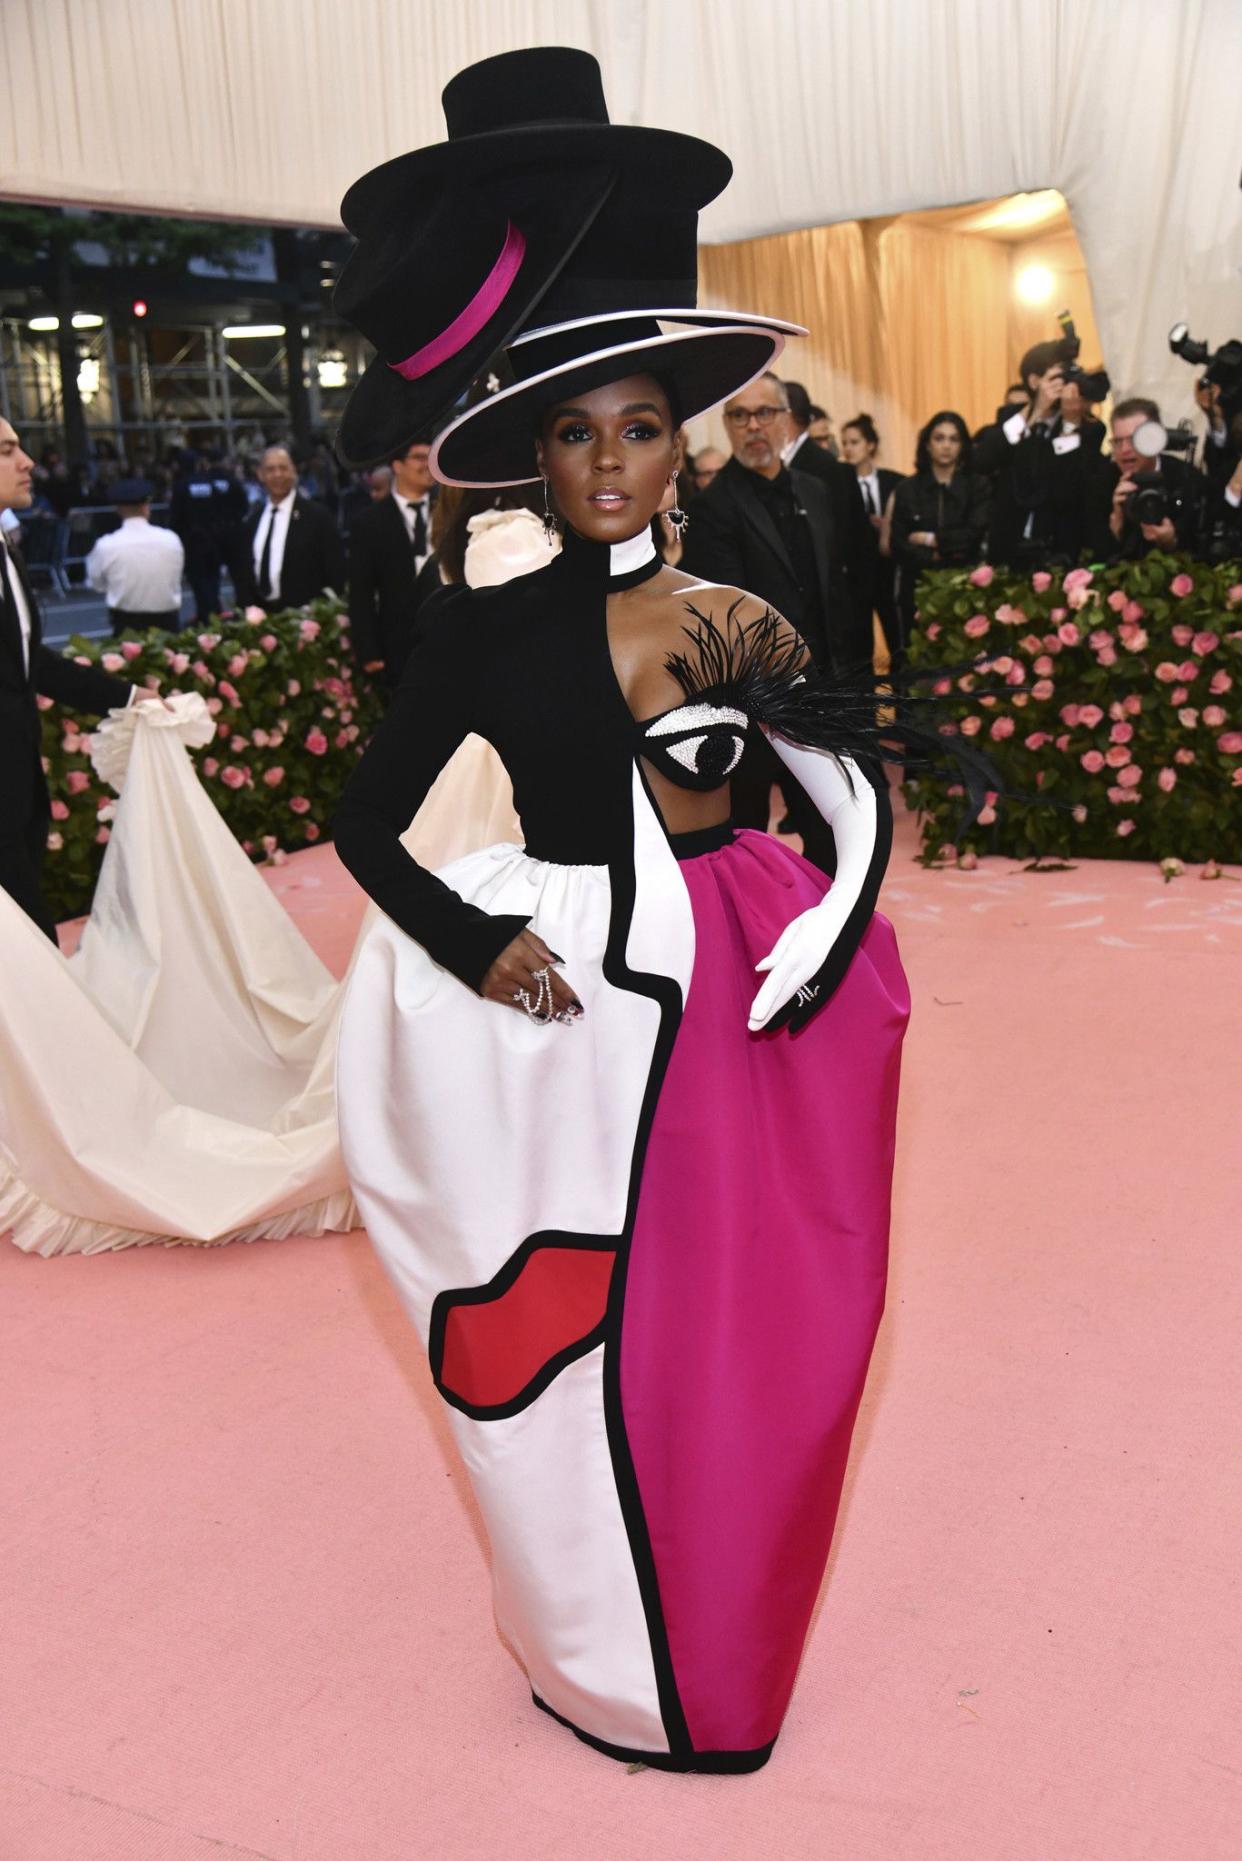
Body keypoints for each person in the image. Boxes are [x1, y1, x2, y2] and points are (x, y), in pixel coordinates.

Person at [331, 44, 909, 1777]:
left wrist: (833, 917)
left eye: (642, 428)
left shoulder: (736, 610)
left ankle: (717, 1645)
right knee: (597, 1359)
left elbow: (839, 788)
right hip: (574, 1019)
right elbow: (366, 828)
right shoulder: (483, 637)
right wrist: (472, 943)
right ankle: (612, 1655)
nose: (610, 461)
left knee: (780, 1337)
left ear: (684, 440)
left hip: (756, 990)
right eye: (574, 432)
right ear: (532, 451)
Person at [677, 371, 853, 867]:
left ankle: (829, 938)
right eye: (739, 415)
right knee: (745, 840)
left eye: (764, 413)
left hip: (819, 697)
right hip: (751, 704)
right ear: (727, 425)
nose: (753, 425)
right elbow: (727, 616)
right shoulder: (712, 509)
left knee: (830, 833)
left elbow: (833, 594)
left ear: (786, 422)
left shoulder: (817, 492)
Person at [0, 417, 136, 940]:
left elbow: (33, 664)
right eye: (8, 449)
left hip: (19, 791)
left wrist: (127, 695)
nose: (28, 461)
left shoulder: (10, 549)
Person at [972, 341, 1105, 567]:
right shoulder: (1010, 418)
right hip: (1008, 547)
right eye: (1057, 378)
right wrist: (1034, 414)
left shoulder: (1090, 429)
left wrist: (1070, 427)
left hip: (1060, 549)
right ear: (1035, 381)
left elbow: (1070, 488)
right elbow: (982, 461)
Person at [780, 378, 874, 668]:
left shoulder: (824, 469)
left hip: (828, 610)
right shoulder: (778, 466)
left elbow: (842, 545)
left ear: (787, 416)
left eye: (766, 413)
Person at [890, 411, 990, 641]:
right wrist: (933, 557)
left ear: (963, 446)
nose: (946, 445)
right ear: (927, 444)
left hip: (965, 589)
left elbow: (973, 535)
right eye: (939, 438)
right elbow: (898, 543)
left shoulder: (977, 486)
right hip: (917, 589)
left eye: (954, 439)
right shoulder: (907, 488)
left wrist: (930, 540)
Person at [347, 439, 438, 690]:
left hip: (452, 640)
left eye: (431, 458)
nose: (428, 465)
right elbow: (361, 592)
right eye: (420, 458)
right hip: (397, 648)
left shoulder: (451, 511)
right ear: (397, 465)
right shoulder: (368, 523)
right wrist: (368, 650)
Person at [235, 445, 346, 614]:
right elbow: (244, 574)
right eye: (271, 469)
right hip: (261, 624)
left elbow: (335, 570)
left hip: (307, 620)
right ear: (261, 475)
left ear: (294, 472)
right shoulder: (252, 521)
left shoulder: (317, 516)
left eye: (283, 468)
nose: (278, 474)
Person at [840, 414, 905, 679]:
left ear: (870, 445)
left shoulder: (895, 481)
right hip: (857, 576)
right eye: (844, 442)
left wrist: (888, 525)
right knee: (861, 646)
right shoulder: (839, 482)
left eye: (854, 442)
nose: (847, 448)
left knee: (897, 641)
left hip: (889, 572)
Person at [1098, 397, 1204, 561]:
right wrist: (1116, 523)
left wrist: (1172, 541)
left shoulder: (1186, 476)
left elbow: (1201, 543)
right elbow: (1094, 553)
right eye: (1118, 441)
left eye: (1134, 440)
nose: (1124, 449)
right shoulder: (1102, 481)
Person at [85, 478, 185, 634]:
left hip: (126, 623)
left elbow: (96, 584)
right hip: (168, 621)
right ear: (146, 507)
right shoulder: (170, 539)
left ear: (117, 509)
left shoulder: (106, 545)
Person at [169, 450, 248, 623]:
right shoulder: (211, 482)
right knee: (216, 579)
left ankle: (208, 615)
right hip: (215, 538)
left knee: (200, 582)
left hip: (193, 541)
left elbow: (176, 517)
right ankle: (218, 611)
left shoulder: (181, 486)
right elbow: (238, 506)